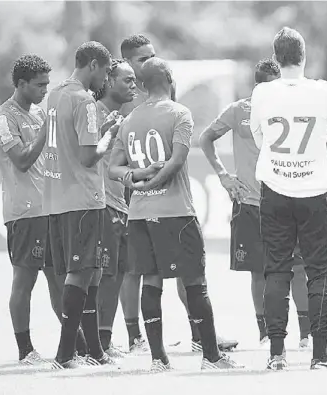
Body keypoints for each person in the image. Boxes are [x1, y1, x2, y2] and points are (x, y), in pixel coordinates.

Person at [109, 57, 242, 372]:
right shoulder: (180, 113)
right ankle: (211, 357)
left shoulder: (129, 120)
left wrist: (137, 178)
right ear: (170, 80)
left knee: (151, 282)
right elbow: (178, 159)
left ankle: (158, 359)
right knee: (195, 280)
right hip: (175, 213)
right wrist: (155, 179)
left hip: (140, 215)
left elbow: (114, 168)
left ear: (141, 86)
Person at [199, 58, 312, 348]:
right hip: (250, 202)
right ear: (258, 87)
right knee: (259, 270)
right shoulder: (239, 111)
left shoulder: (291, 110)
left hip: (288, 199)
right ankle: (264, 333)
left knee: (297, 267)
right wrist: (224, 176)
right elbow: (206, 137)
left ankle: (306, 334)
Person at [250, 27, 327, 370]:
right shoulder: (323, 90)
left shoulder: (262, 92)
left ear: (276, 58)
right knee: (320, 272)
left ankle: (276, 353)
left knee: (276, 270)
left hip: (274, 189)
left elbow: (259, 135)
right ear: (305, 56)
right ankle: (319, 354)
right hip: (315, 190)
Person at [44, 41, 120, 369]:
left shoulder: (55, 95)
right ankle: (65, 354)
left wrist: (100, 131)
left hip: (57, 197)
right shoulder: (84, 100)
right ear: (93, 65)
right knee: (80, 273)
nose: (104, 79)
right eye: (104, 71)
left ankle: (94, 351)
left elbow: (71, 142)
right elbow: (90, 156)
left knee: (92, 271)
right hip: (83, 198)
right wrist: (110, 137)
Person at [0, 55, 63, 365]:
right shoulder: (4, 117)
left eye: (47, 84)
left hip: (51, 209)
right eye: (39, 85)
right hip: (25, 212)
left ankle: (80, 343)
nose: (45, 90)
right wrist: (48, 127)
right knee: (25, 281)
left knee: (59, 279)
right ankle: (25, 350)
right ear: (20, 84)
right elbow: (21, 160)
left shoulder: (39, 112)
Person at [92, 58, 137, 359]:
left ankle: (104, 340)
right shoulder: (95, 113)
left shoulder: (122, 115)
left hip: (120, 204)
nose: (134, 86)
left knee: (117, 273)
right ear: (108, 81)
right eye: (128, 80)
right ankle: (94, 343)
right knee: (103, 275)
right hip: (101, 203)